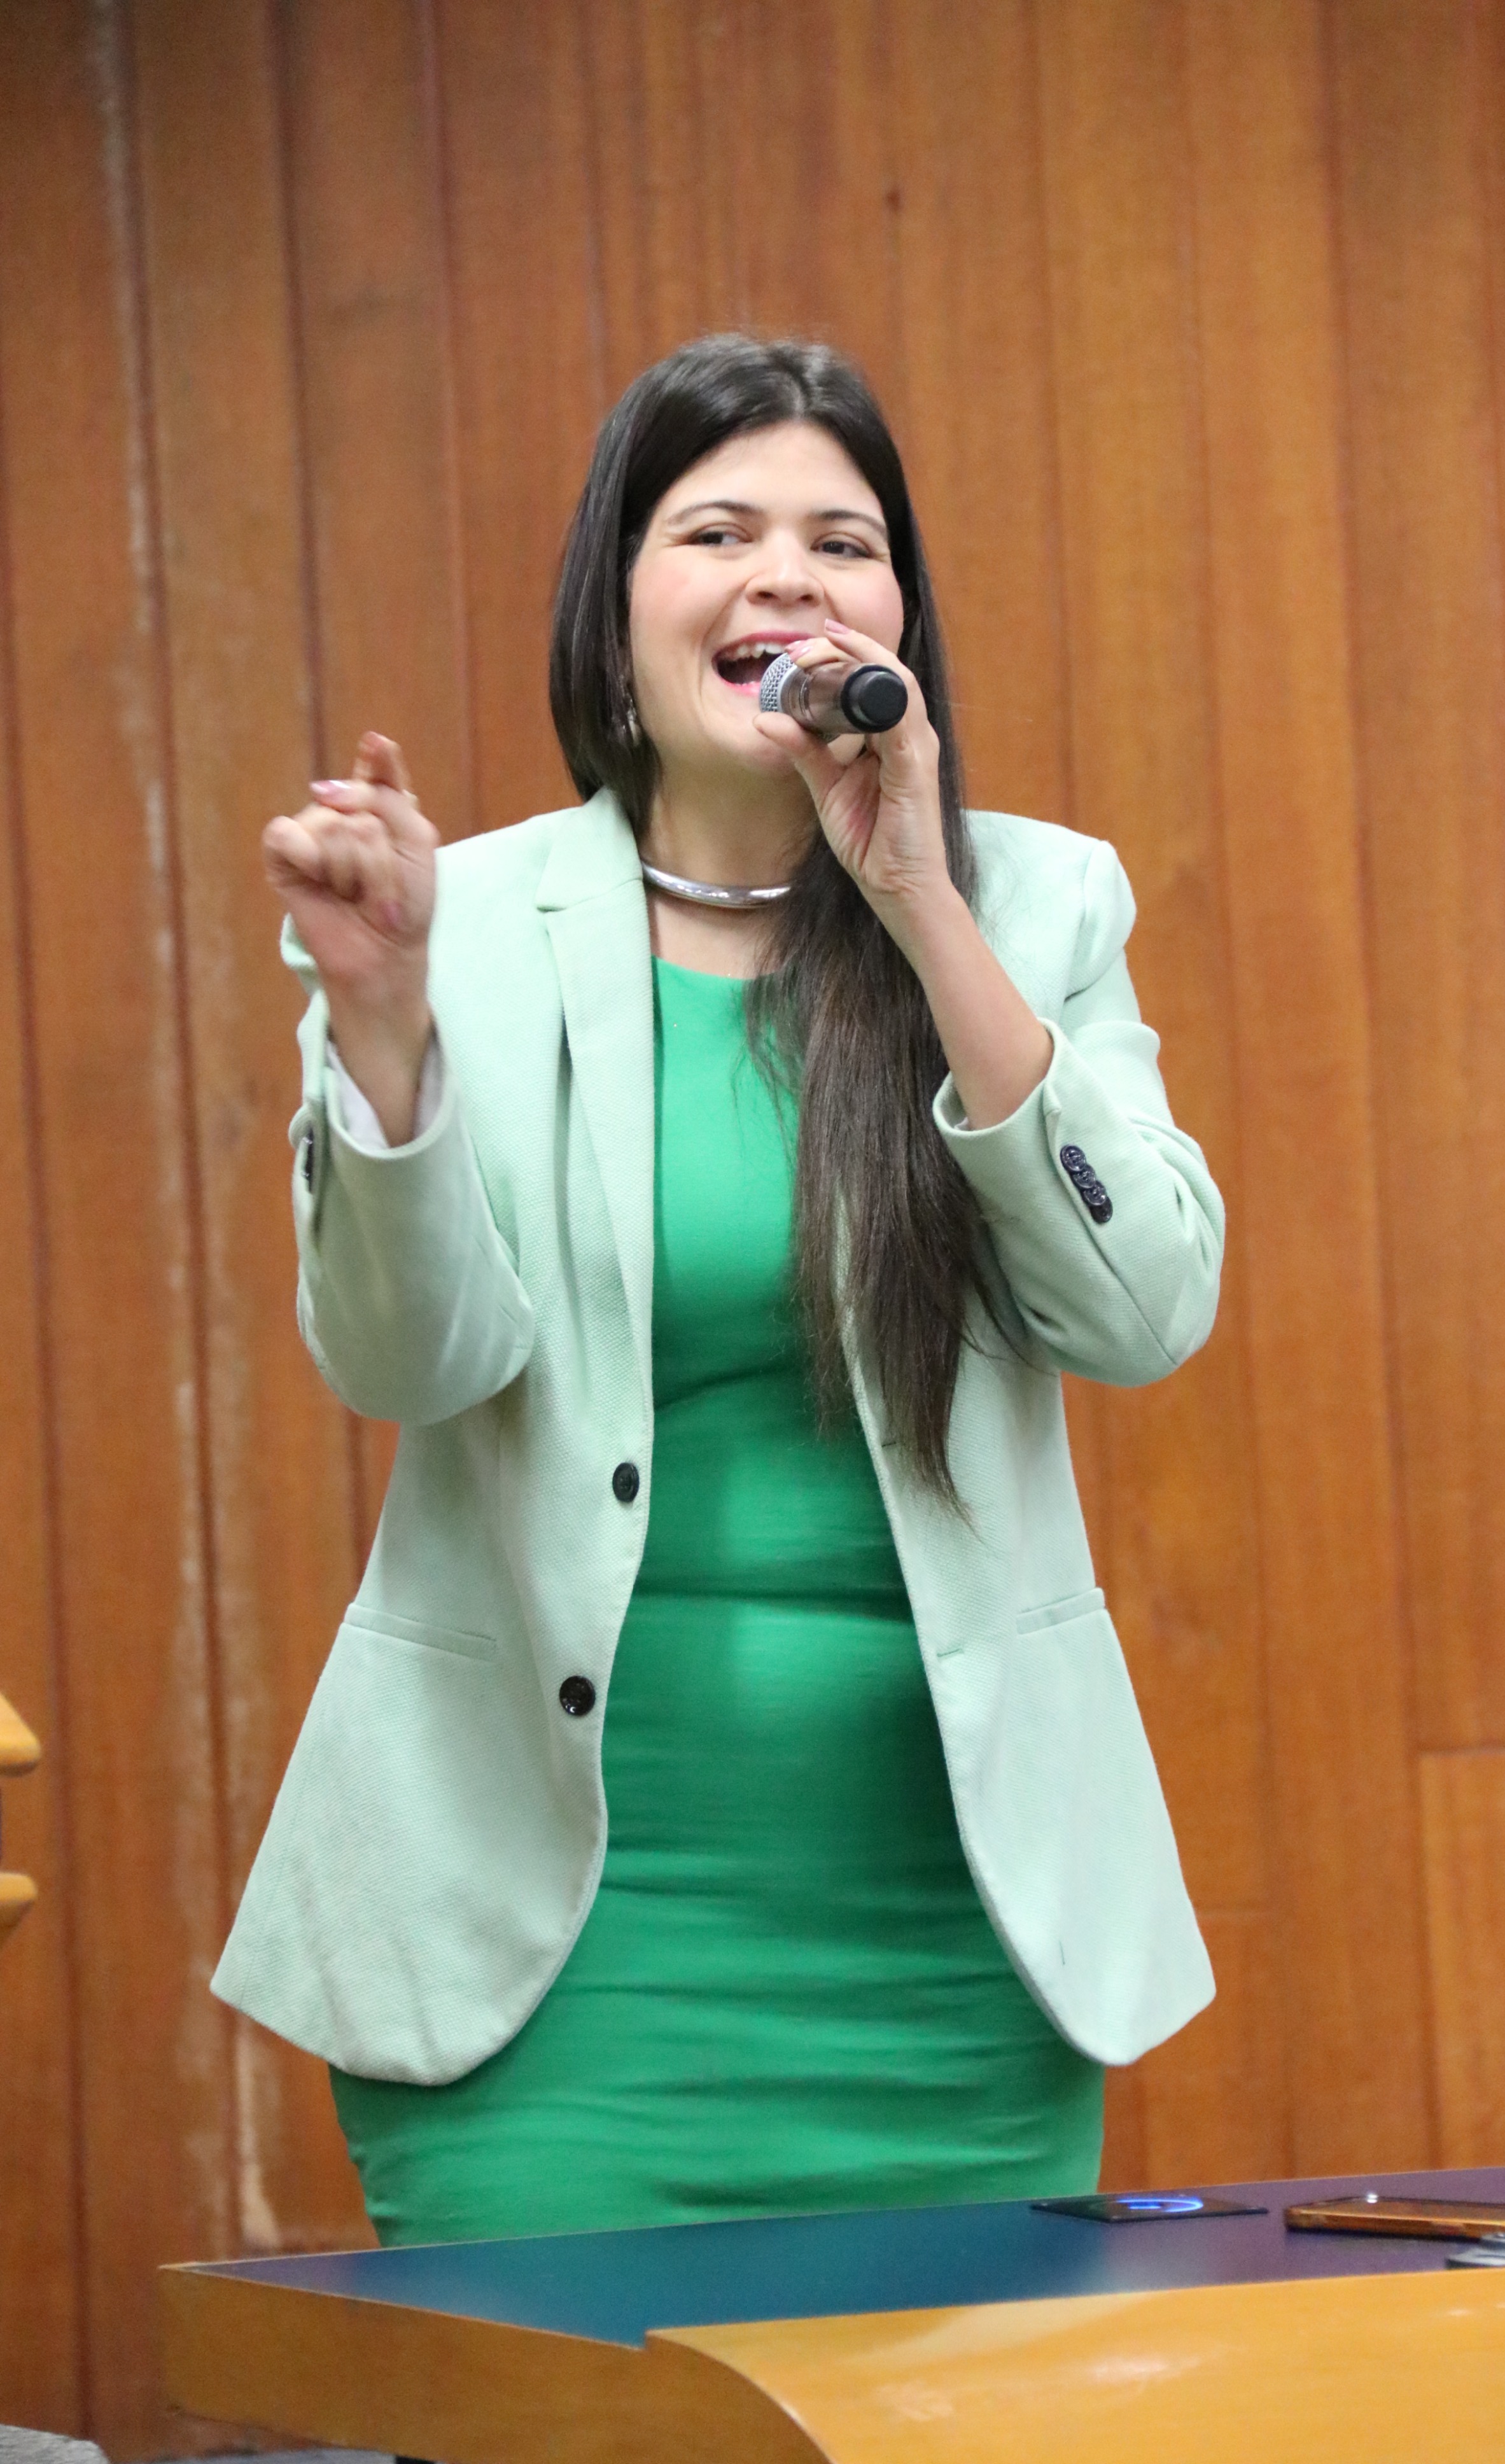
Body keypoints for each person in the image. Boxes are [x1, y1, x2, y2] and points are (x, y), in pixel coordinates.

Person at [214, 334, 1224, 2247]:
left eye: (844, 544)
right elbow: (406, 1361)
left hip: (947, 1954)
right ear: (617, 623)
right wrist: (385, 1029)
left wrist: (921, 903)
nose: (788, 579)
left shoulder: (1035, 905)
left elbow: (1145, 1309)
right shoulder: (461, 927)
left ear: (900, 621)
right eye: (718, 533)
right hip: (551, 1951)